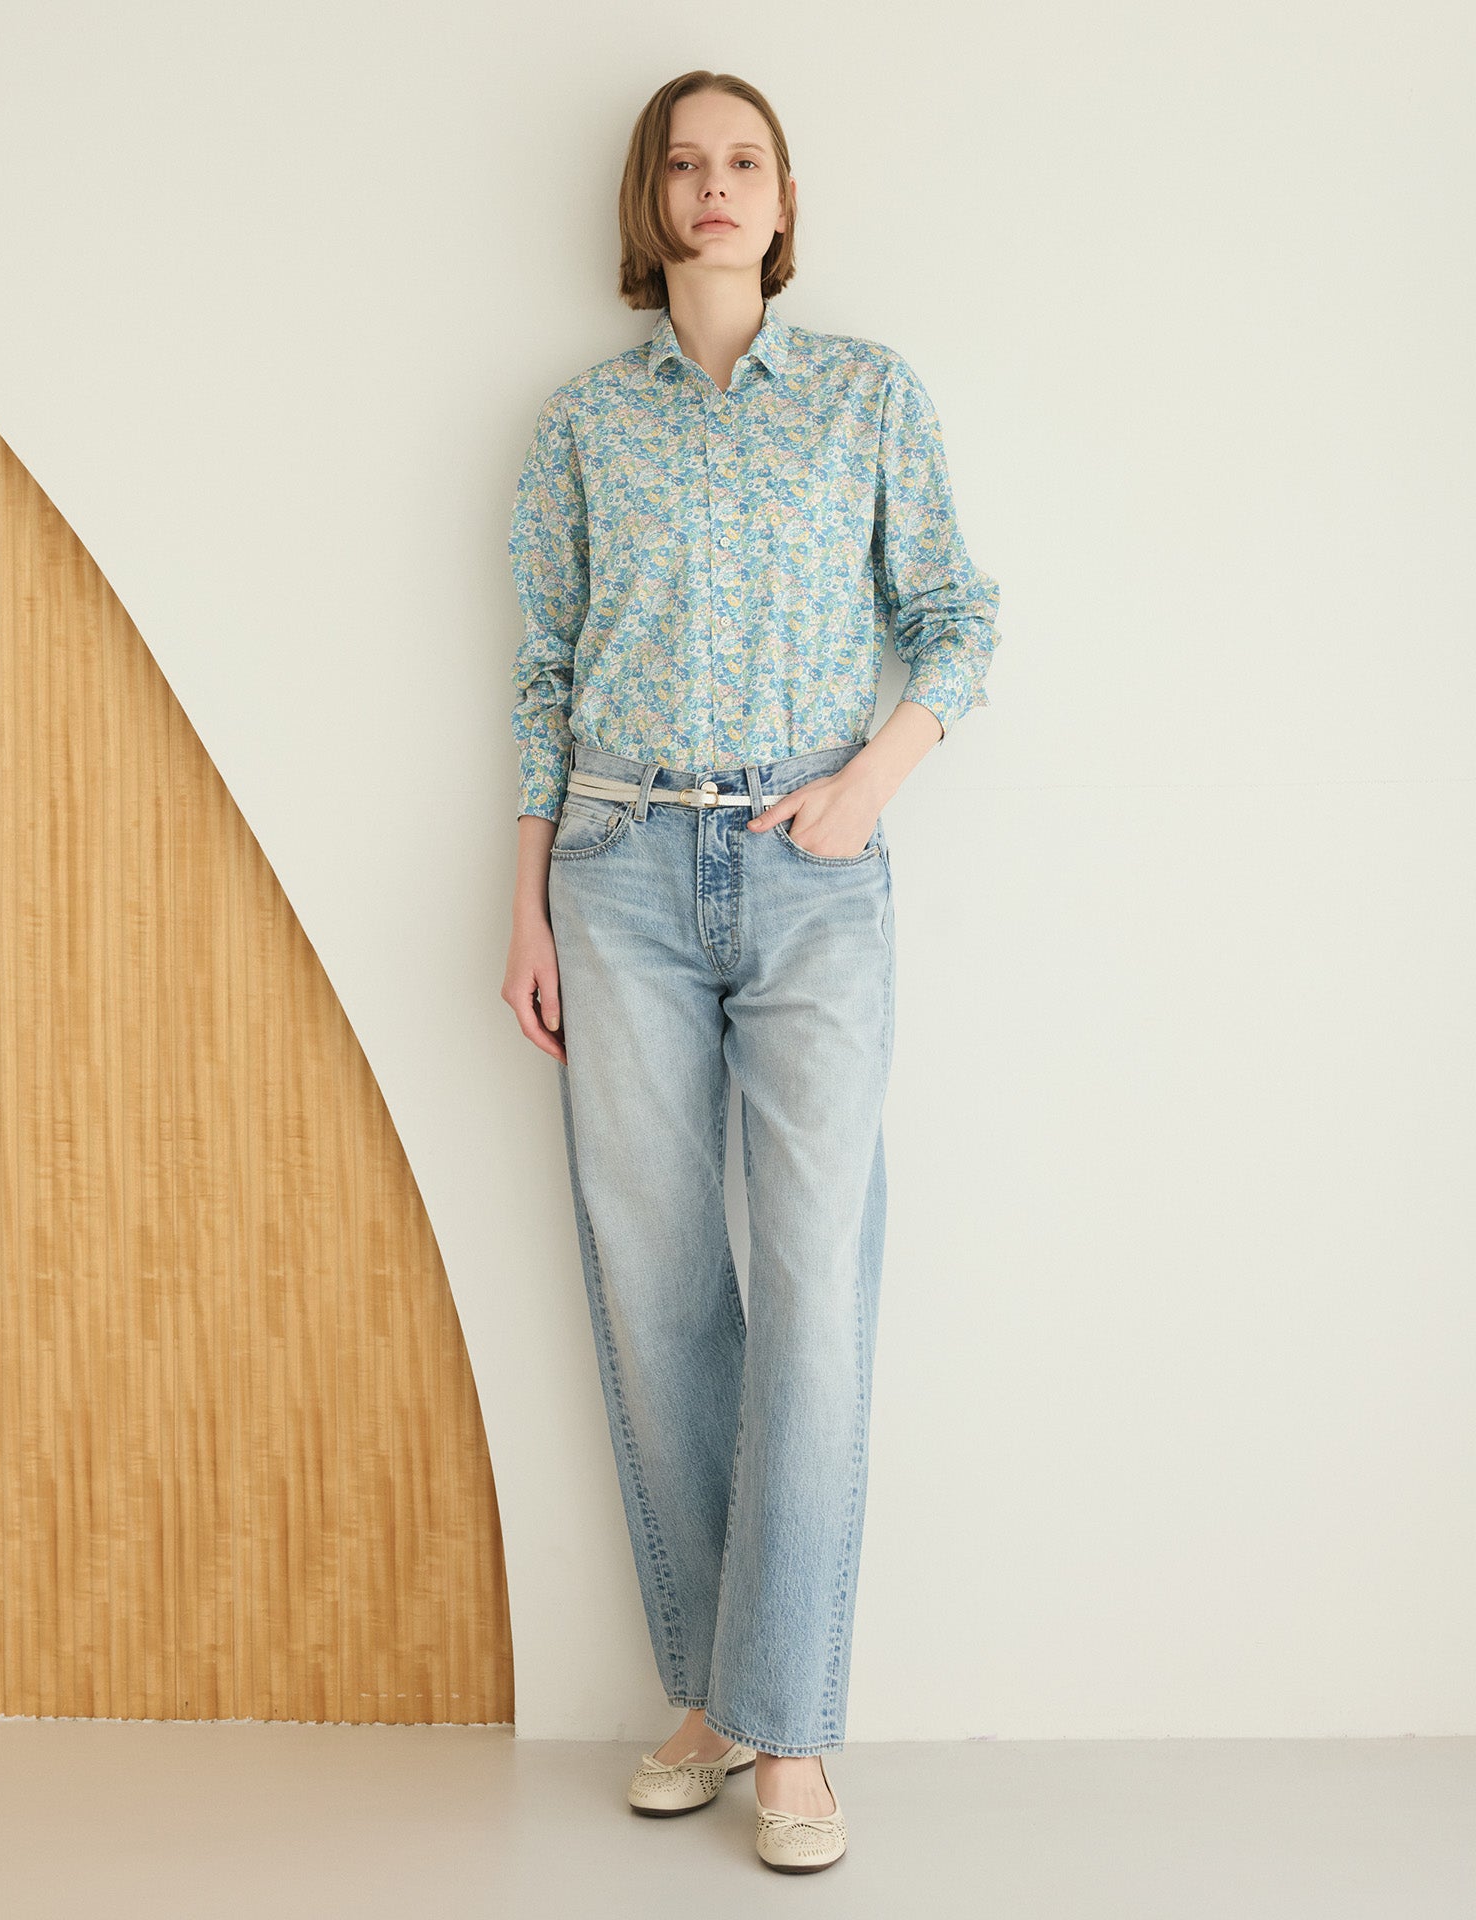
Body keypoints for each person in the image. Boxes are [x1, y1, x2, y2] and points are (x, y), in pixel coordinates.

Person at [500, 68, 1002, 1875]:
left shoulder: (866, 395)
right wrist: (528, 899)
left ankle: (786, 1728)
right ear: (651, 204)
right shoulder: (581, 426)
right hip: (619, 866)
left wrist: (866, 790)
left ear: (784, 201)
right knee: (658, 1291)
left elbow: (960, 617)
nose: (714, 187)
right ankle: (716, 1693)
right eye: (685, 164)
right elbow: (544, 673)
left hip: (811, 876)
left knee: (809, 1287)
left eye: (745, 162)